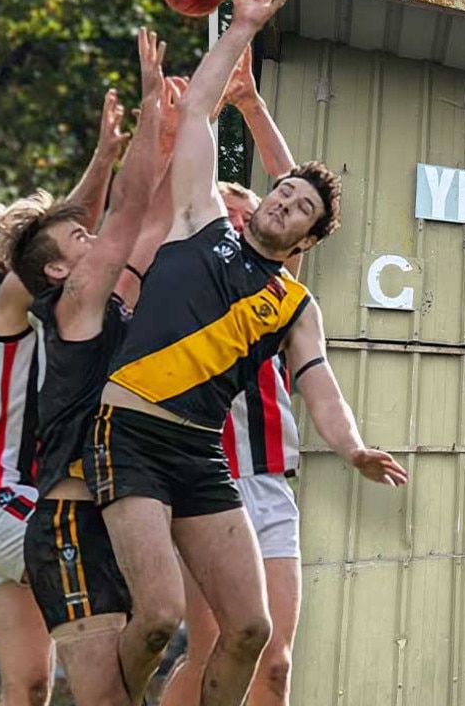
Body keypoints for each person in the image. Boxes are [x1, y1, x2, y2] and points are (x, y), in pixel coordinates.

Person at [91, 0, 407, 706]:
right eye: (282, 191)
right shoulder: (201, 220)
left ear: (310, 234)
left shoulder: (290, 303)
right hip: (130, 431)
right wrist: (241, 27)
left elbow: (321, 388)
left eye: (300, 206)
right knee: (163, 620)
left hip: (203, 454)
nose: (284, 202)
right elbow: (199, 111)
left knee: (252, 636)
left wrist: (353, 447)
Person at [0, 27, 173, 706]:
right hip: (68, 521)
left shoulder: (103, 300)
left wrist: (180, 132)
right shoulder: (70, 303)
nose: (93, 238)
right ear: (57, 269)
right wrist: (152, 99)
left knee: (138, 668)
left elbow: (149, 219)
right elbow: (127, 213)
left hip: (113, 517)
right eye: (79, 236)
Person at [0, 88, 127, 706]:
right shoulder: (13, 306)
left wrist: (107, 156)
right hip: (5, 500)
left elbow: (63, 236)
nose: (80, 234)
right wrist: (104, 158)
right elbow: (51, 240)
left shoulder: (70, 317)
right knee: (106, 610)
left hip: (20, 509)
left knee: (28, 687)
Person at [161, 50, 305, 706]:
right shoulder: (191, 280)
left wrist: (251, 105)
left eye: (251, 213)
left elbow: (301, 189)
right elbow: (185, 188)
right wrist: (186, 118)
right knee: (211, 643)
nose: (246, 222)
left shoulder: (278, 286)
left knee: (274, 662)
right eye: (231, 218)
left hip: (268, 482)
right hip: (202, 477)